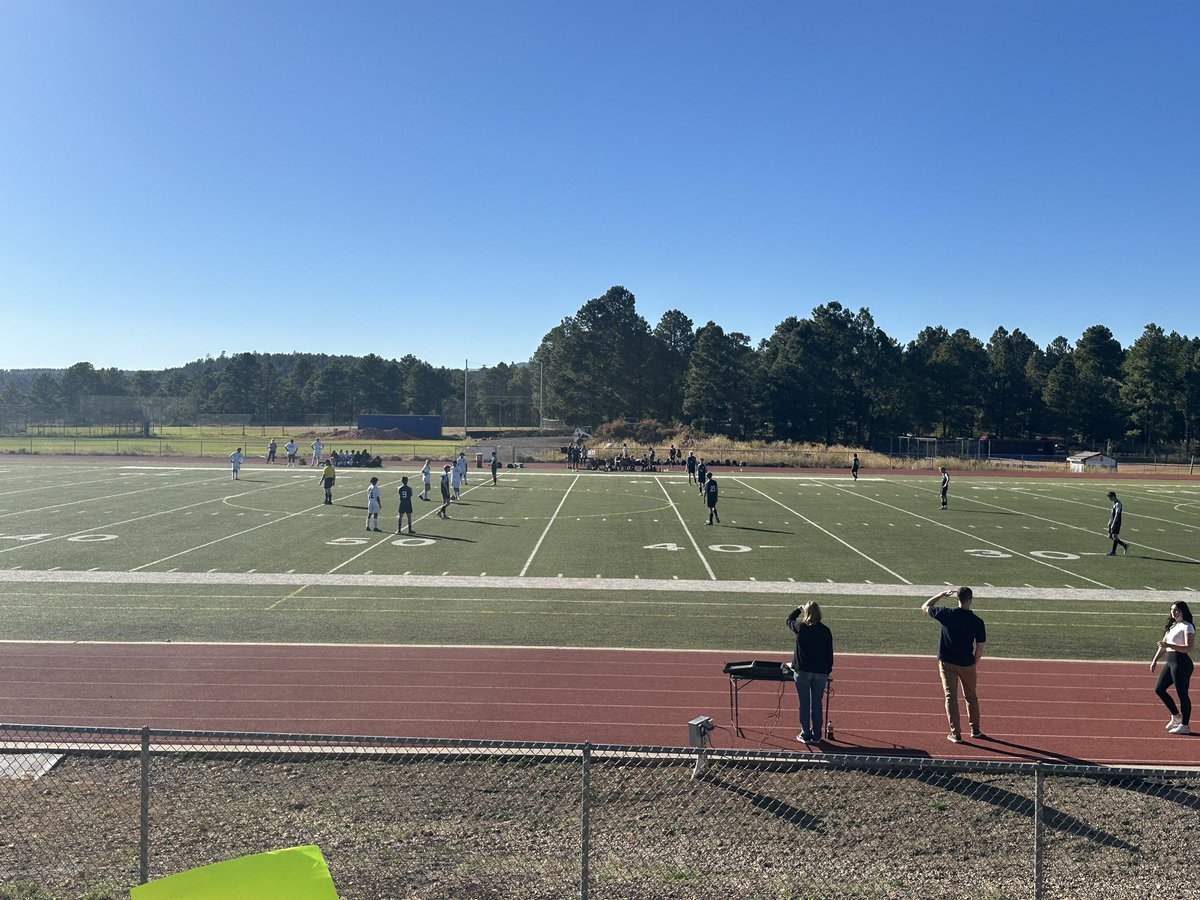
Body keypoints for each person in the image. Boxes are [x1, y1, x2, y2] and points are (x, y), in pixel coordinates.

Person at [922, 587, 986, 743]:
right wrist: (975, 661)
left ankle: (955, 733)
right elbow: (980, 646)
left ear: (957, 599)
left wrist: (940, 595)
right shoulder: (977, 621)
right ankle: (975, 729)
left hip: (947, 662)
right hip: (967, 663)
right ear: (970, 600)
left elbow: (925, 606)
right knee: (971, 696)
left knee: (951, 697)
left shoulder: (947, 614)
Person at [787, 602, 834, 745]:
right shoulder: (825, 630)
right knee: (817, 704)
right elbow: (829, 654)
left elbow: (789, 620)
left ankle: (806, 733)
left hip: (802, 672)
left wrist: (798, 610)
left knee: (804, 703)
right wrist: (827, 671)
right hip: (820, 673)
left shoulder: (801, 628)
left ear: (806, 613)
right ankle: (816, 735)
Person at [1151, 601, 1194, 735]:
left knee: (1182, 694)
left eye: (1176, 610)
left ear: (1183, 611)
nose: (1173, 612)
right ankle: (1176, 716)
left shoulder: (1188, 627)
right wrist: (1155, 660)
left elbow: (1189, 647)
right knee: (1159, 689)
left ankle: (1185, 726)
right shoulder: (1173, 625)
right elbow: (1163, 645)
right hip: (1170, 662)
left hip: (1181, 663)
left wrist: (1170, 645)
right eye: (1172, 610)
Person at [1106, 490, 1130, 556]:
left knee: (1115, 537)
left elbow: (1117, 515)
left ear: (1113, 496)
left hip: (1116, 522)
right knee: (1110, 536)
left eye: (1110, 497)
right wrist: (1110, 521)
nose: (1109, 499)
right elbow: (1112, 514)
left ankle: (1113, 552)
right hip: (1113, 521)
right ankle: (1125, 545)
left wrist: (1113, 523)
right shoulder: (1114, 503)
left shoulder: (1118, 504)